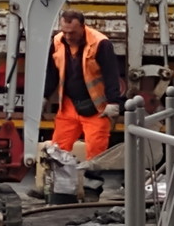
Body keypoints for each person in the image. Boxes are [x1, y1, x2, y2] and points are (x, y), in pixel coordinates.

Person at [44, 9, 121, 160]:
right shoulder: (57, 41)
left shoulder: (100, 43)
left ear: (82, 27)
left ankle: (93, 182)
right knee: (58, 148)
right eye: (64, 32)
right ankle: (59, 182)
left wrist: (113, 102)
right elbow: (52, 73)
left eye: (72, 33)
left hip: (96, 107)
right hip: (69, 104)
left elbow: (111, 73)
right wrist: (44, 95)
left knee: (96, 150)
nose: (67, 36)